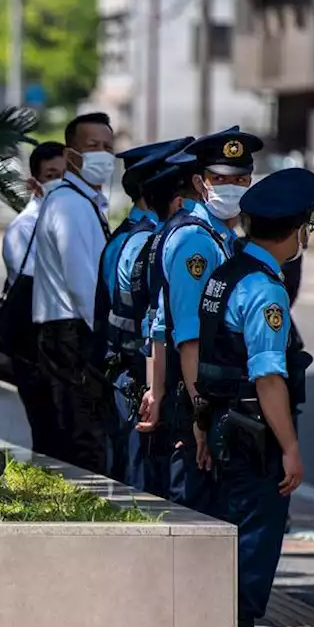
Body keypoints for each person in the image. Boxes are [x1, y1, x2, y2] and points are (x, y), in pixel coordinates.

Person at [193, 167, 314, 627]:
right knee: (253, 544)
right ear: (296, 232)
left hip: (222, 427)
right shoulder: (265, 290)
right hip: (252, 436)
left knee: (227, 539)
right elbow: (268, 375)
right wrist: (290, 448)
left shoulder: (224, 274)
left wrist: (201, 425)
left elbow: (205, 357)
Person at [156, 126, 263, 515]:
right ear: (202, 183)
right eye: (221, 179)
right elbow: (189, 337)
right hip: (199, 403)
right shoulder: (197, 242)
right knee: (199, 519)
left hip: (214, 400)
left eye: (241, 179)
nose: (232, 187)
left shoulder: (223, 238)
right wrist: (200, 414)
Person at [97, 136, 194, 488]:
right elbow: (154, 320)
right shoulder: (146, 241)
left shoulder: (128, 235)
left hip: (129, 376)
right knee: (145, 488)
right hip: (141, 379)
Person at [29, 111, 114, 473]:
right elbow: (84, 284)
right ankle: (89, 518)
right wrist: (106, 335)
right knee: (84, 435)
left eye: (108, 147)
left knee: (78, 431)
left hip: (70, 329)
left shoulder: (81, 202)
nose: (102, 154)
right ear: (71, 154)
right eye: (92, 146)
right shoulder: (71, 205)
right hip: (72, 331)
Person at [0, 140, 66, 454]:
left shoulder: (74, 219)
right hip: (34, 343)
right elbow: (37, 280)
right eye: (52, 175)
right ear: (34, 183)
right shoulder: (23, 228)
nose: (61, 183)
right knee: (47, 425)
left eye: (66, 174)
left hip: (64, 342)